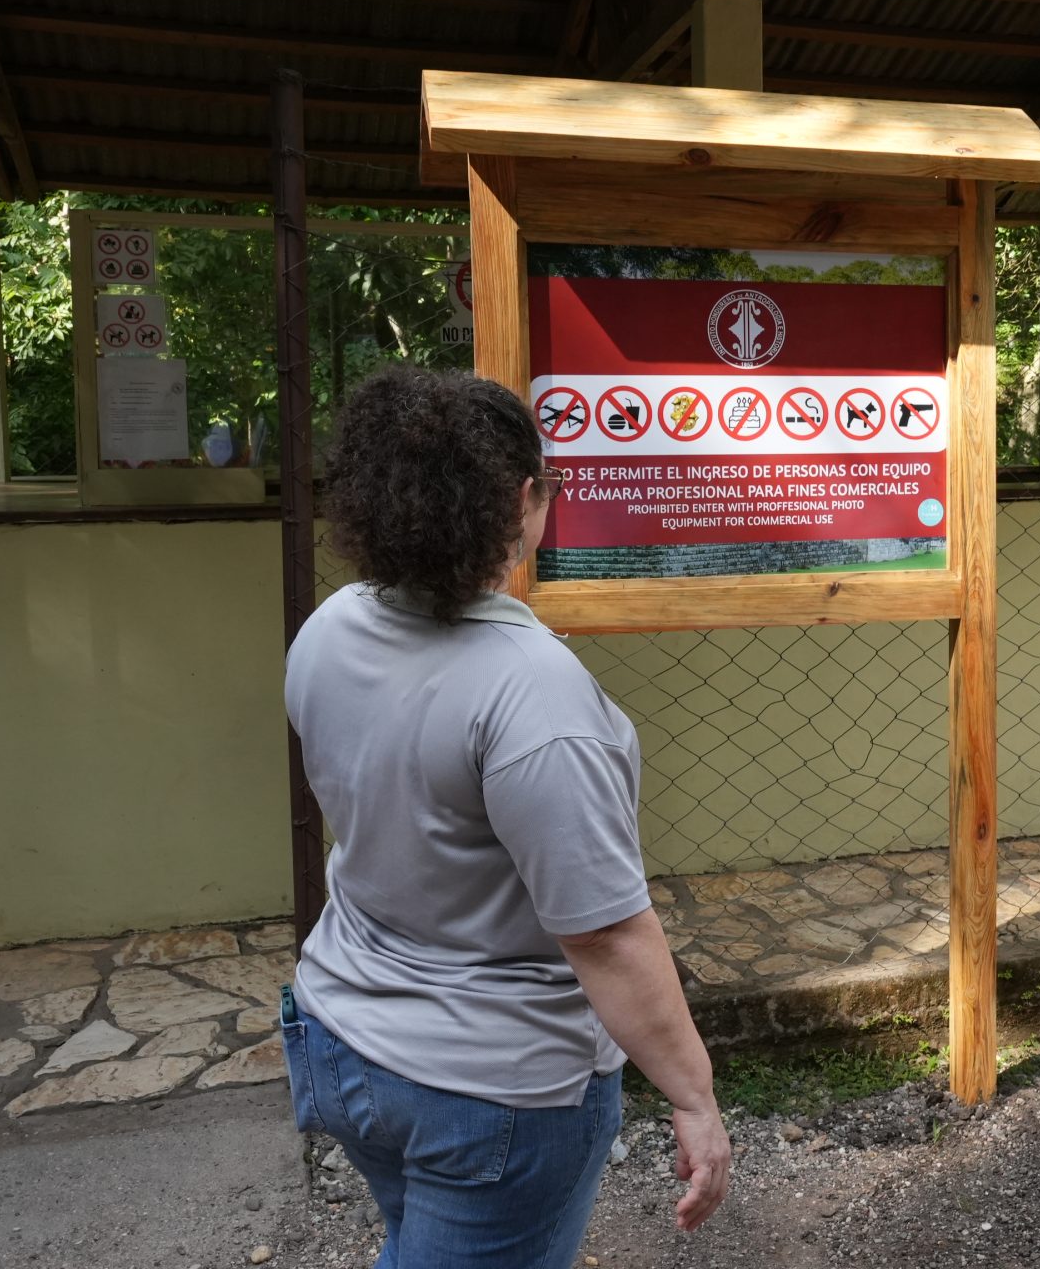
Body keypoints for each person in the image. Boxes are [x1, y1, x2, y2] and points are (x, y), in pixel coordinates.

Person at [282, 365, 730, 1263]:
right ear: (526, 501)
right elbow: (605, 935)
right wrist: (694, 1099)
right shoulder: (535, 697)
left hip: (340, 1037)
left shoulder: (329, 628)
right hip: (489, 1091)